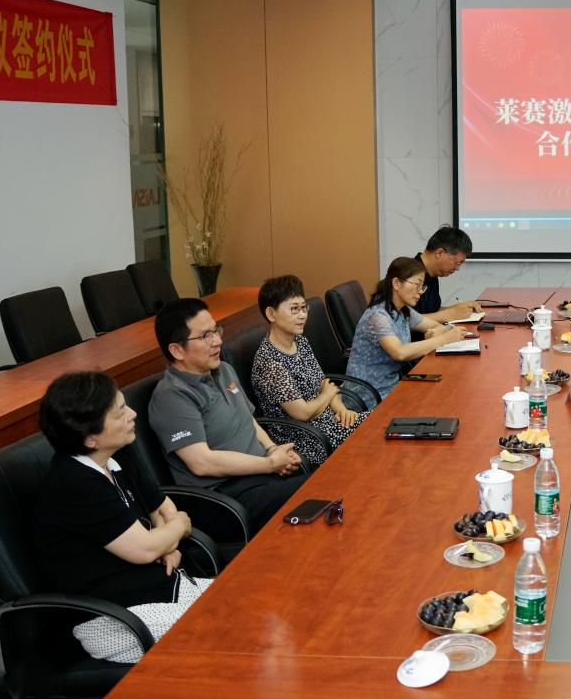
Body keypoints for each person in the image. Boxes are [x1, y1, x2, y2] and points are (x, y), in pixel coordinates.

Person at [34, 371, 210, 661]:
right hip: (111, 616)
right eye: (120, 412)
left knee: (244, 603)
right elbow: (148, 547)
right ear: (90, 438)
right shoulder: (73, 483)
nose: (133, 414)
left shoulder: (118, 455)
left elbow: (163, 509)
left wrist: (166, 542)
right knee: (222, 628)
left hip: (158, 586)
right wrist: (175, 529)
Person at [149, 298, 306, 532]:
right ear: (177, 350)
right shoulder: (172, 396)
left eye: (216, 330)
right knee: (314, 491)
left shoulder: (223, 369)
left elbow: (247, 419)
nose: (218, 341)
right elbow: (202, 463)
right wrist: (269, 464)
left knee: (326, 475)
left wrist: (272, 449)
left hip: (261, 473)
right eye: (205, 336)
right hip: (224, 496)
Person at [250, 275, 369, 466]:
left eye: (304, 308)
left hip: (329, 422)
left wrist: (341, 409)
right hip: (306, 440)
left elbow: (323, 383)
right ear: (271, 314)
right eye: (294, 309)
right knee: (373, 435)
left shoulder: (300, 342)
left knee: (379, 422)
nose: (302, 315)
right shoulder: (269, 362)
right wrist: (327, 395)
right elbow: (303, 413)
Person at [346, 256, 474, 397]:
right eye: (417, 285)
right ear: (396, 283)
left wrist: (437, 332)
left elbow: (435, 326)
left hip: (394, 386)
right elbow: (400, 352)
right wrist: (443, 339)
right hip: (370, 395)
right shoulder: (377, 317)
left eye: (422, 286)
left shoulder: (403, 310)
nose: (420, 291)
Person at [414, 225, 483, 324]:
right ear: (440, 253)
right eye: (457, 263)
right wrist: (450, 314)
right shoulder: (407, 275)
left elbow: (431, 311)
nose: (457, 268)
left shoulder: (432, 274)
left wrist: (458, 309)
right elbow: (404, 321)